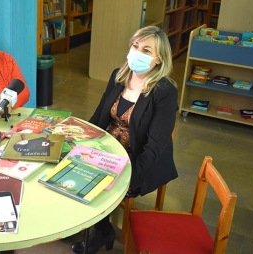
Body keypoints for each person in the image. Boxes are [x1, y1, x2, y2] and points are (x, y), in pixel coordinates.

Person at [72, 26, 178, 254]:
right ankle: (84, 221)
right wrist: (80, 141)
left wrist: (130, 179)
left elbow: (154, 147)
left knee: (98, 179)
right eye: (135, 46)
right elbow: (99, 116)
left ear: (159, 59)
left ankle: (101, 231)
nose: (137, 53)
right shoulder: (119, 75)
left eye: (147, 50)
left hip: (138, 157)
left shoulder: (164, 91)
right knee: (72, 164)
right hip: (109, 145)